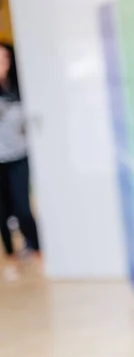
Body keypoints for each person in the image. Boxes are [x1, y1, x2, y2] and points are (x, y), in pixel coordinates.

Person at [0, 42, 41, 281]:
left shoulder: (20, 86)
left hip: (19, 157)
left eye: (5, 57)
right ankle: (12, 255)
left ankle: (35, 247)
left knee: (23, 208)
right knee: (2, 211)